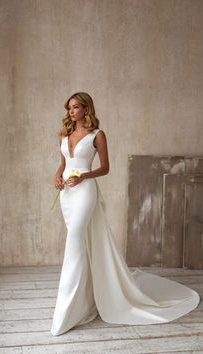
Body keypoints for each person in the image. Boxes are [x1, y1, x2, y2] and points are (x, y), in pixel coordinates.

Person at [50, 92, 200, 336]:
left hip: (85, 192)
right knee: (82, 242)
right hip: (67, 195)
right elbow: (63, 164)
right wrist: (57, 176)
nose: (71, 112)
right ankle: (86, 301)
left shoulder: (97, 135)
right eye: (69, 108)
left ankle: (68, 310)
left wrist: (84, 176)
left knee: (75, 240)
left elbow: (105, 168)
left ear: (87, 109)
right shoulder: (64, 135)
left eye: (76, 107)